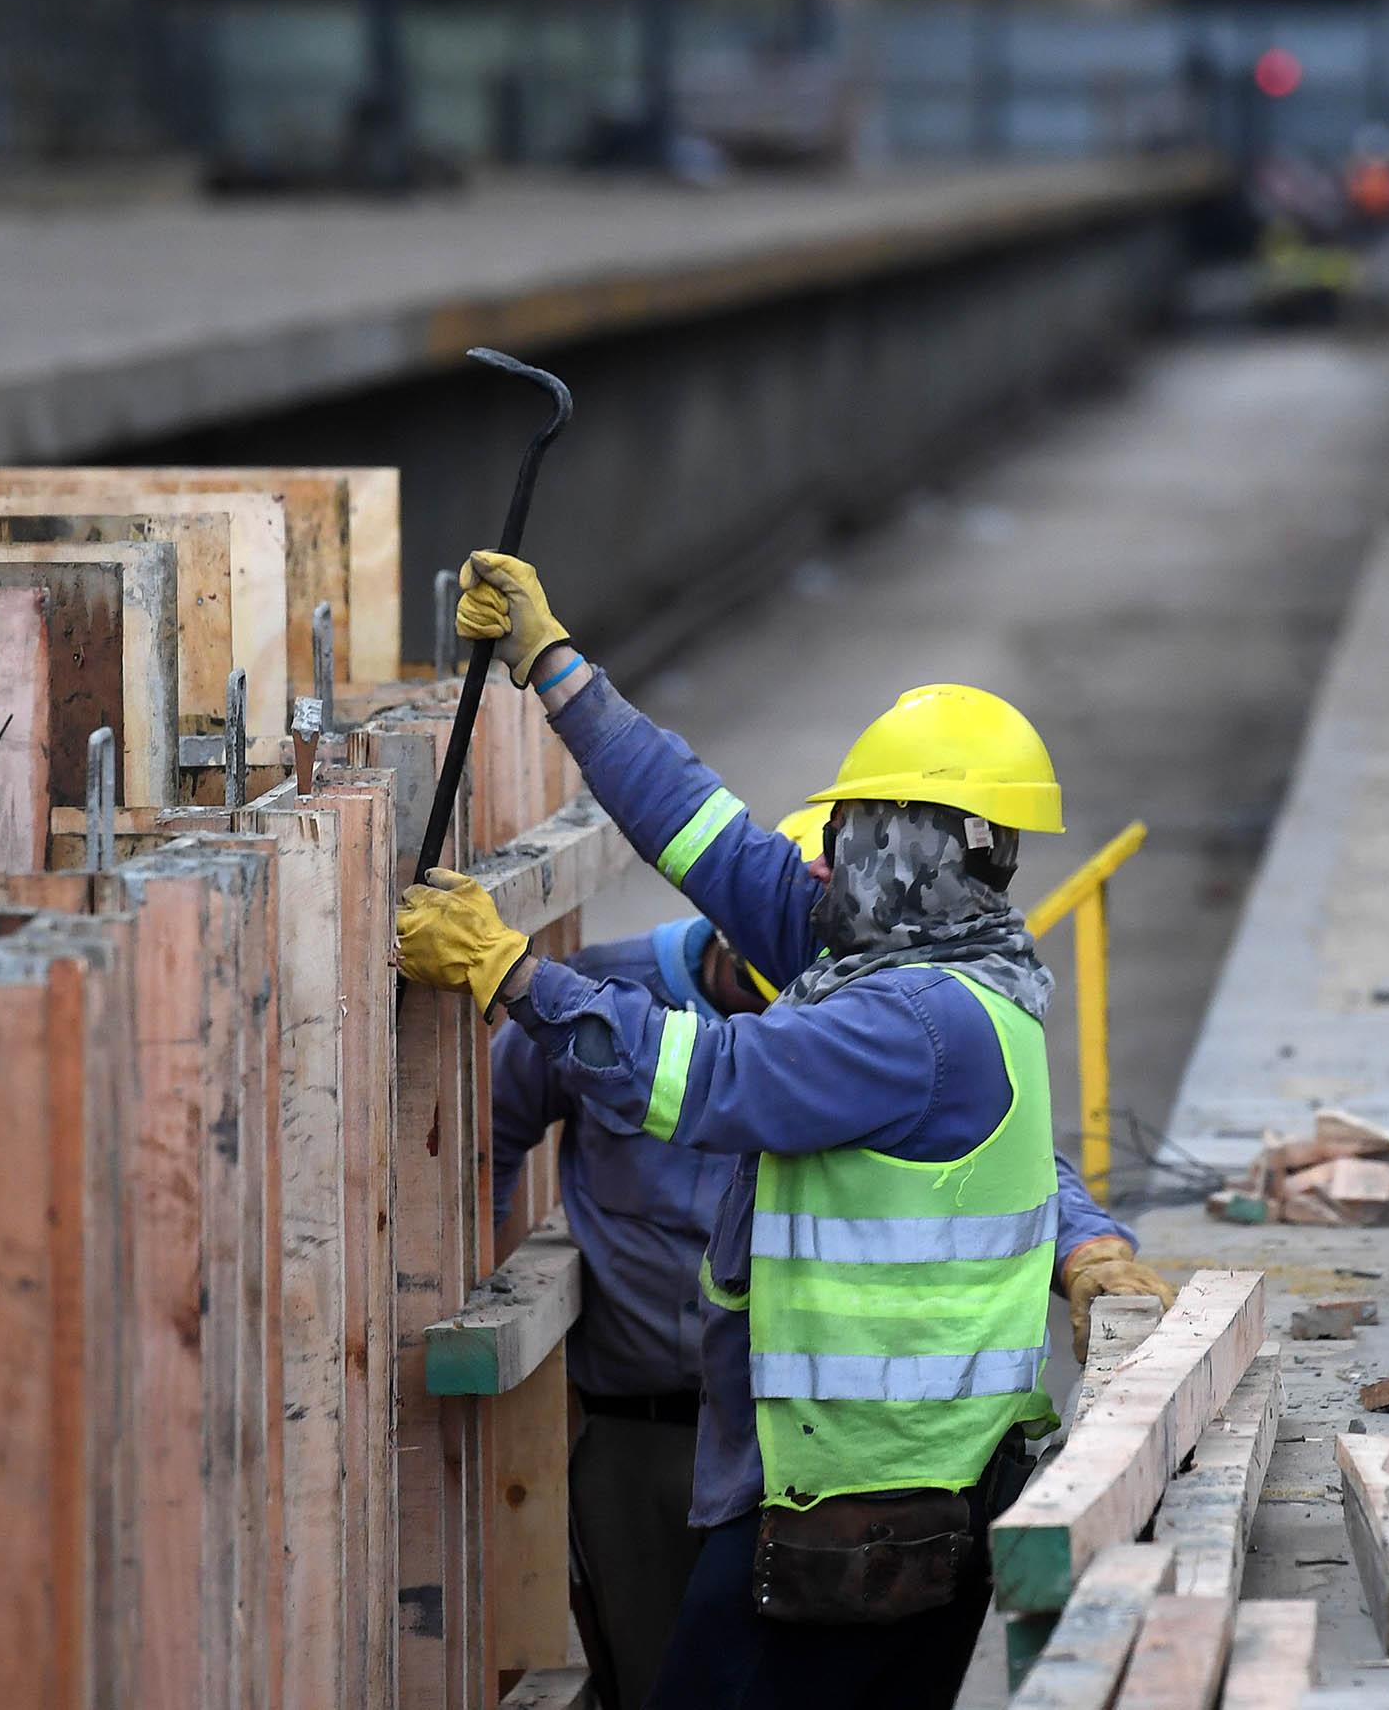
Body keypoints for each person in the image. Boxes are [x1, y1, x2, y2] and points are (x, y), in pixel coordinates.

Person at [401, 554, 1136, 1709]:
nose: (827, 850)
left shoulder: (913, 1020)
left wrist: (509, 974)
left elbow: (704, 1078)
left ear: (914, 842)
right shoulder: (917, 959)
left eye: (853, 826)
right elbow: (700, 828)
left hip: (868, 1516)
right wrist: (555, 662)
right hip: (856, 1499)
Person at [493, 807, 1164, 1710]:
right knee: (663, 1677)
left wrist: (1084, 1243)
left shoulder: (857, 1008)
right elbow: (497, 1130)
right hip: (644, 1431)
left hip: (799, 1465)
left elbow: (989, 1151)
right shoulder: (622, 990)